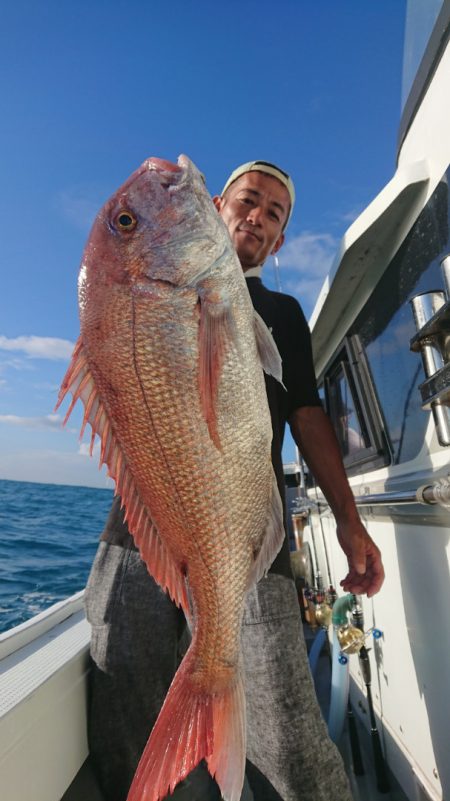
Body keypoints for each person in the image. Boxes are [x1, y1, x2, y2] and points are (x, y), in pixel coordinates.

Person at [85, 160, 384, 801]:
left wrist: (350, 521)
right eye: (249, 200)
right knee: (123, 704)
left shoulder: (283, 312)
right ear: (218, 204)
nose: (258, 217)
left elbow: (307, 414)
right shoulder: (147, 290)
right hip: (141, 530)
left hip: (248, 539)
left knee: (289, 737)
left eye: (275, 214)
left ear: (280, 241)